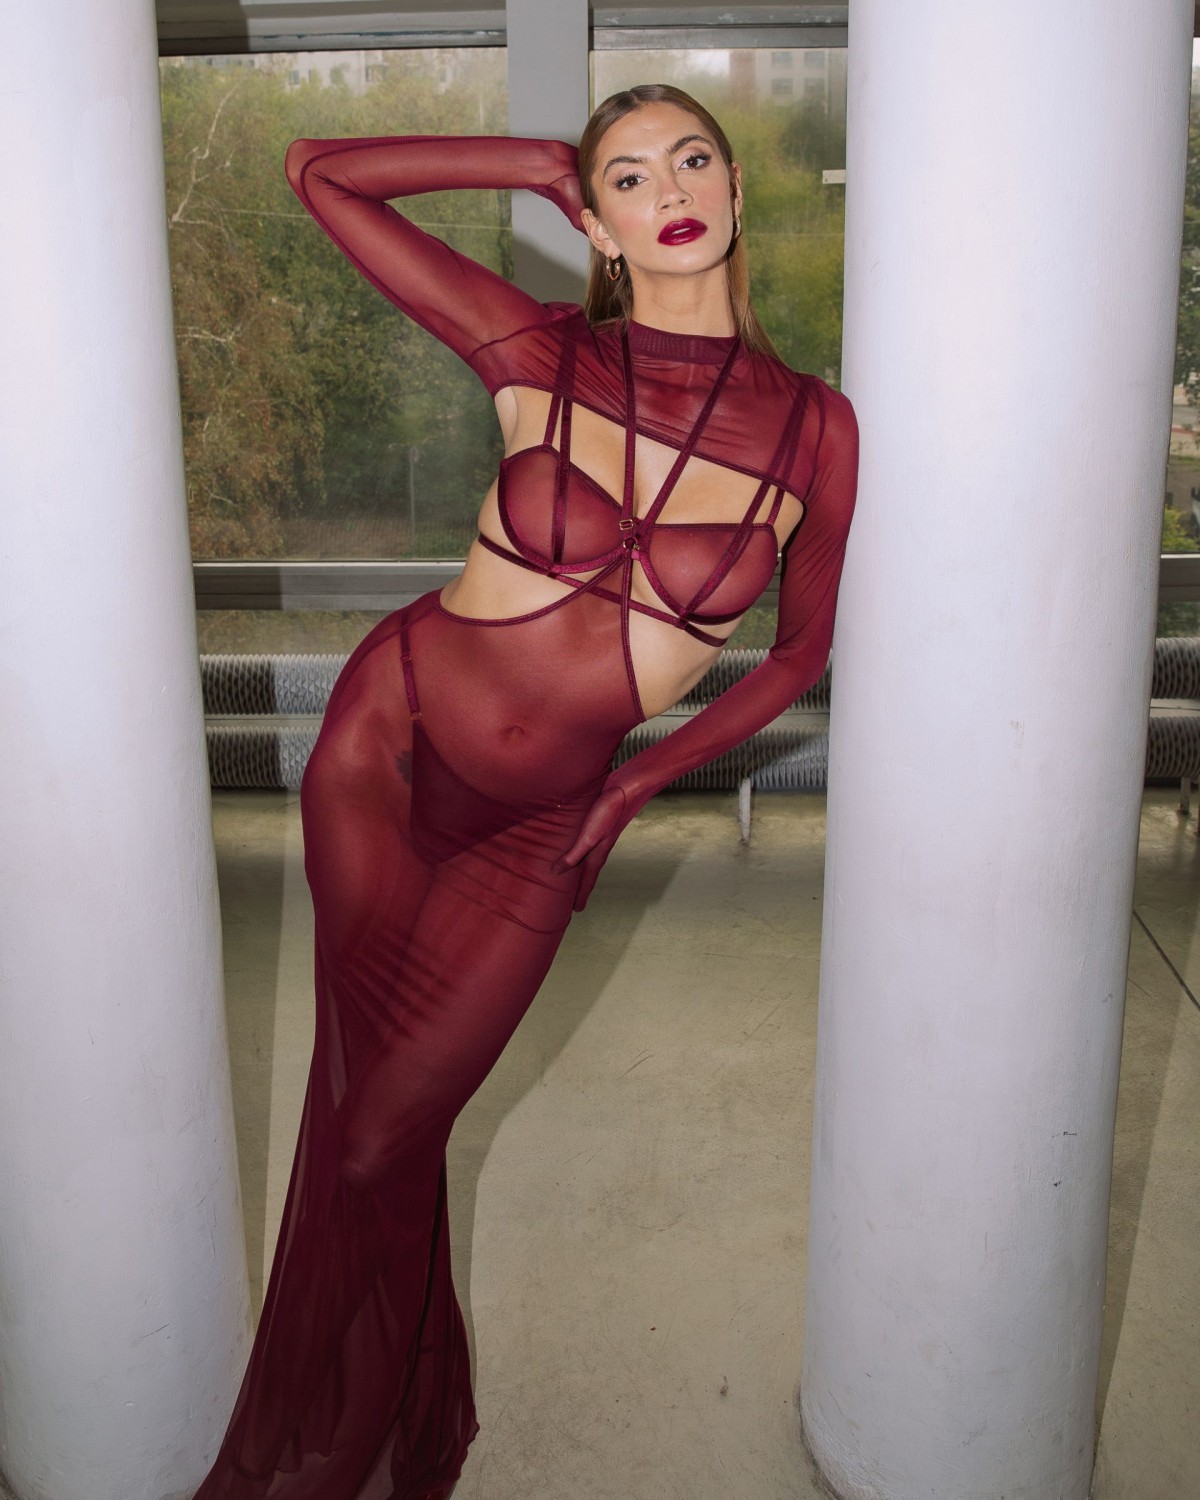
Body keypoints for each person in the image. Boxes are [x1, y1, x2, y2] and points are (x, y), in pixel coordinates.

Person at [191, 82, 858, 1500]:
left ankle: (355, 1423)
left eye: (693, 159)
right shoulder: (535, 345)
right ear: (598, 223)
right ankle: (327, 1451)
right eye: (628, 176)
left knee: (382, 1137)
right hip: (390, 743)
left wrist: (637, 785)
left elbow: (803, 650)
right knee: (367, 1117)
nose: (669, 189)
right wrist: (534, 164)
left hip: (546, 819)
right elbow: (320, 173)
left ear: (736, 189)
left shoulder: (815, 430)